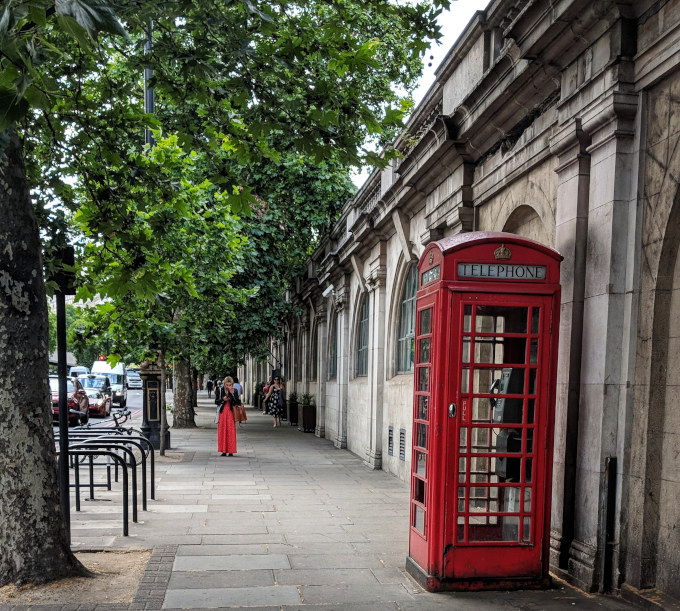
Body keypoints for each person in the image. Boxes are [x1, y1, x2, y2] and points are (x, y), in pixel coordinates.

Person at [214, 376, 240, 456]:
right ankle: (223, 450)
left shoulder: (234, 391)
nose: (228, 386)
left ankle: (231, 450)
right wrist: (222, 399)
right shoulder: (220, 390)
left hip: (230, 413)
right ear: (224, 384)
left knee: (231, 431)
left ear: (232, 384)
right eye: (227, 385)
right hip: (222, 413)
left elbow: (238, 402)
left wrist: (232, 394)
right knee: (222, 431)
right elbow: (216, 402)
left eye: (230, 384)